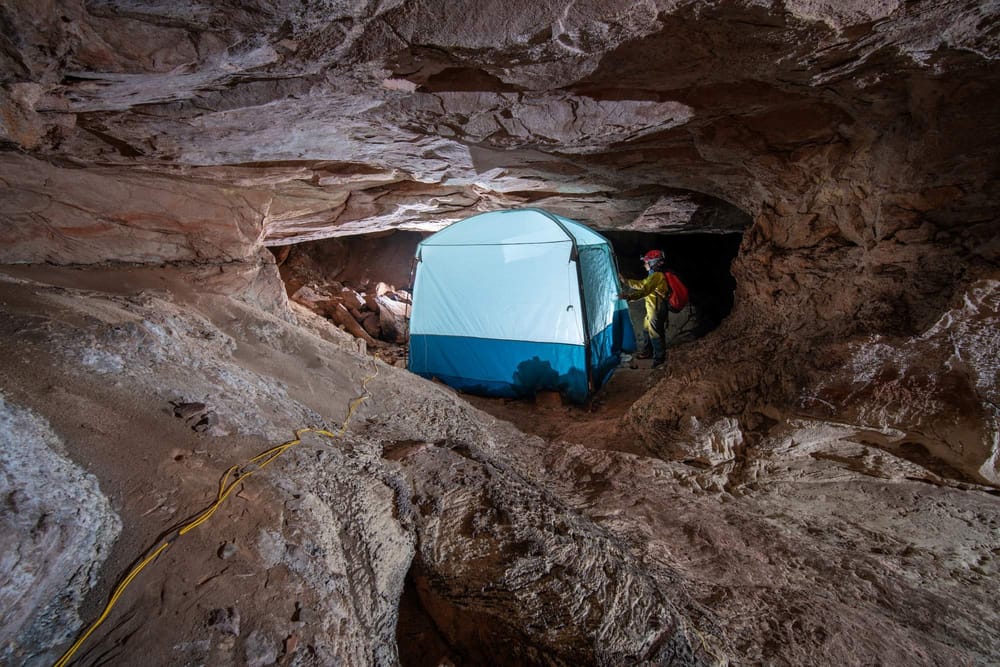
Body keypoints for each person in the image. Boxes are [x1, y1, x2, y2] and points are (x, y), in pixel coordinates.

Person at [618, 249, 671, 368]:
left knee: (655, 334)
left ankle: (659, 359)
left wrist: (628, 297)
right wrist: (626, 281)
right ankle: (648, 352)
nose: (645, 264)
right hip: (653, 307)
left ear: (653, 262)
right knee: (646, 328)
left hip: (656, 309)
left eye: (647, 262)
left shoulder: (657, 276)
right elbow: (642, 284)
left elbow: (645, 291)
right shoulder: (652, 276)